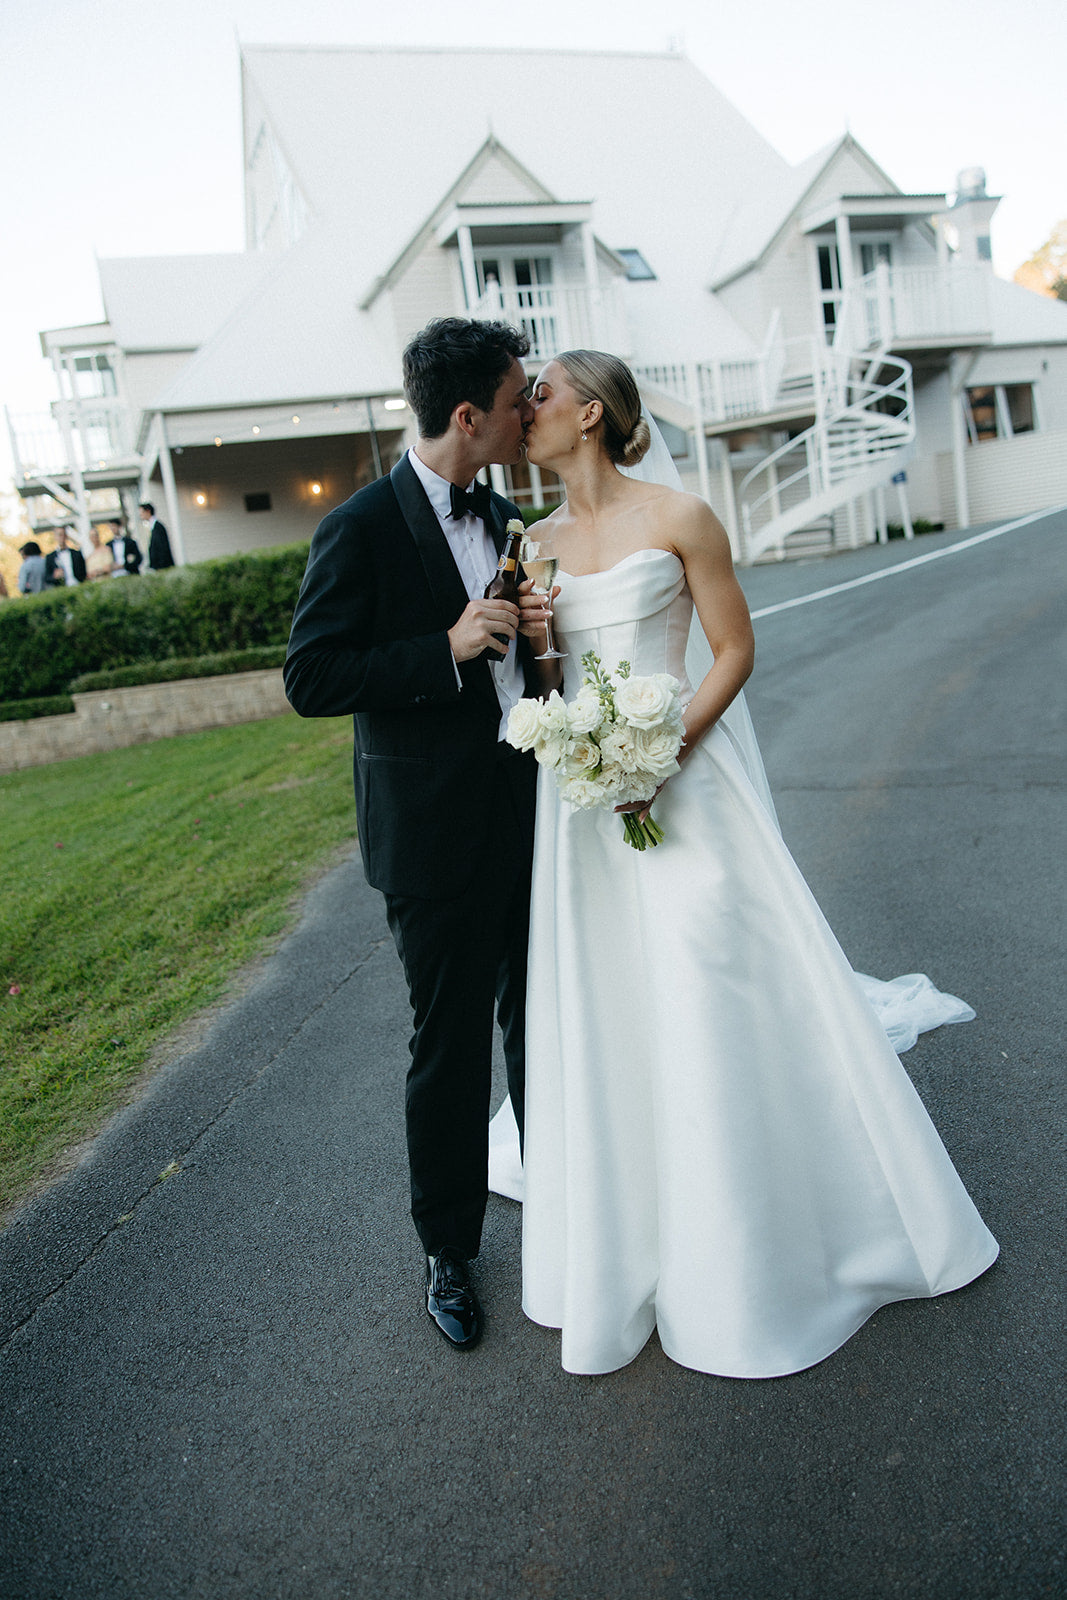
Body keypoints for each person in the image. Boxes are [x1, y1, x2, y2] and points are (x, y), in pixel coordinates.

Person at [493, 349, 998, 1379]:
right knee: (611, 994)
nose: (523, 409)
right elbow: (546, 682)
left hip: (682, 774)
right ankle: (635, 1221)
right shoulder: (528, 544)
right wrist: (543, 656)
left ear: (589, 412)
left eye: (539, 393)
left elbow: (731, 650)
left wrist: (662, 753)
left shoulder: (681, 516)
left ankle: (750, 1230)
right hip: (583, 799)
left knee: (709, 970)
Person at [284, 317, 550, 1350]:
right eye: (518, 400)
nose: (529, 413)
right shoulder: (356, 528)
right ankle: (447, 1250)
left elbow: (518, 669)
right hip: (430, 836)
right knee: (447, 1045)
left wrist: (535, 644)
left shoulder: (507, 514)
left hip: (525, 809)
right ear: (468, 415)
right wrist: (441, 647)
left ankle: (566, 1203)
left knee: (542, 1021)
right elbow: (312, 676)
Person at [140, 502, 175, 570]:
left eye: (142, 512)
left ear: (148, 511)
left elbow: (162, 548)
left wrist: (161, 567)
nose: (140, 515)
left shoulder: (158, 527)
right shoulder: (152, 527)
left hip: (163, 567)